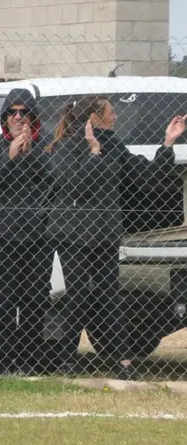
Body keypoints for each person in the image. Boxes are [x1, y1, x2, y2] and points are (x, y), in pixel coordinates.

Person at [47, 98, 186, 379]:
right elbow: (76, 187)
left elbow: (145, 178)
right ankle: (66, 361)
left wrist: (167, 144)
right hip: (73, 236)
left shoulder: (114, 143)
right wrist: (95, 153)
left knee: (110, 297)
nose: (116, 116)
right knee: (78, 296)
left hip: (105, 235)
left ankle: (124, 363)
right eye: (111, 113)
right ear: (94, 118)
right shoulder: (66, 148)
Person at [0, 90, 53, 376]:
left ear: (33, 116)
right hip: (0, 238)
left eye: (24, 112)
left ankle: (29, 364)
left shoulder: (47, 146)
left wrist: (30, 153)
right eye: (12, 112)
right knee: (2, 301)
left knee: (34, 301)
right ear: (4, 117)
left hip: (38, 238)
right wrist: (10, 155)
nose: (18, 117)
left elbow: (56, 180)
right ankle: (3, 364)